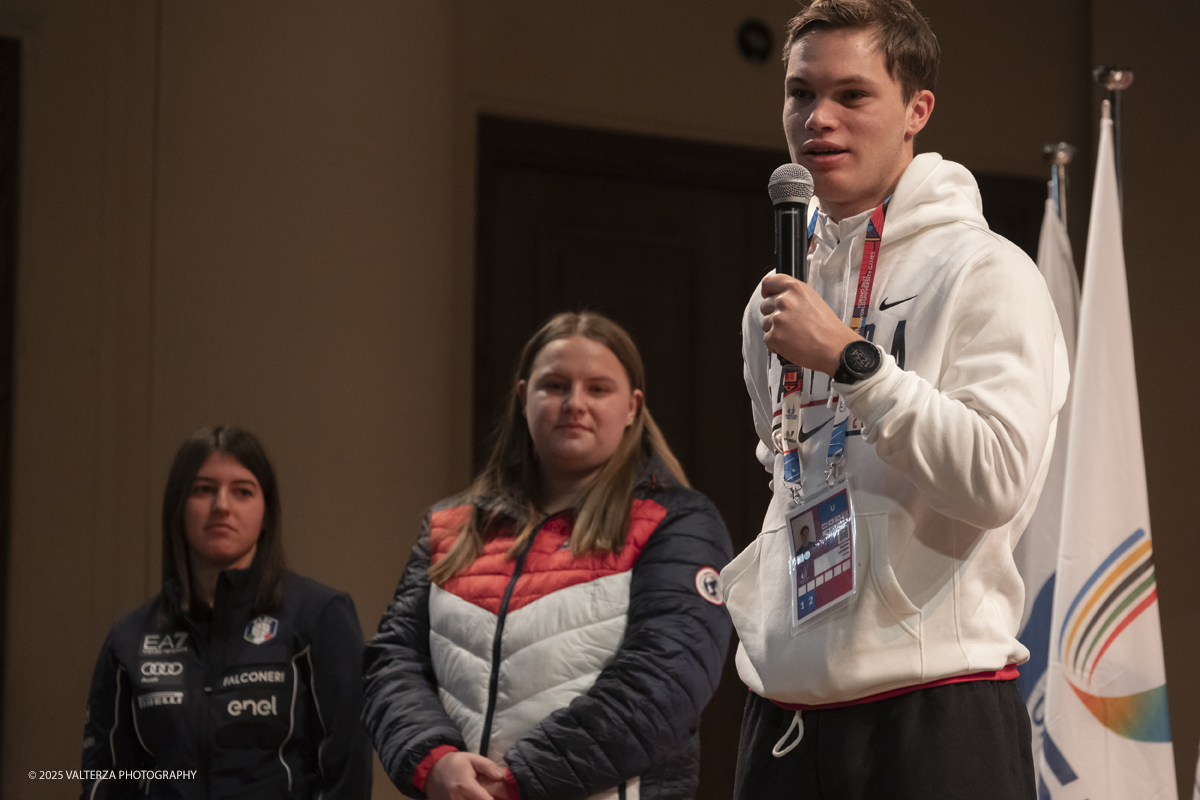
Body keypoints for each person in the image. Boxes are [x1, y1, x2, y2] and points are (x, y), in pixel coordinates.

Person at [721, 1, 1070, 798]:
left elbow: (995, 478)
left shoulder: (987, 271)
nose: (819, 119)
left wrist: (850, 361)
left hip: (933, 706)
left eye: (852, 95)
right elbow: (788, 466)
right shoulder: (775, 298)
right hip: (784, 710)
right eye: (801, 94)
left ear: (917, 110)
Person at [363, 312, 733, 800]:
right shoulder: (449, 526)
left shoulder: (681, 523)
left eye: (598, 389)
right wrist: (433, 762)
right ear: (522, 398)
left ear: (631, 407)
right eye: (555, 385)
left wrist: (513, 784)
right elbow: (392, 662)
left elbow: (663, 683)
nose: (574, 403)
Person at [80, 426, 373, 799]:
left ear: (266, 511)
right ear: (178, 507)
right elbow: (106, 780)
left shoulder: (320, 617)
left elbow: (347, 772)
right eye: (203, 489)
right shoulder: (129, 638)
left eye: (242, 491)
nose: (221, 505)